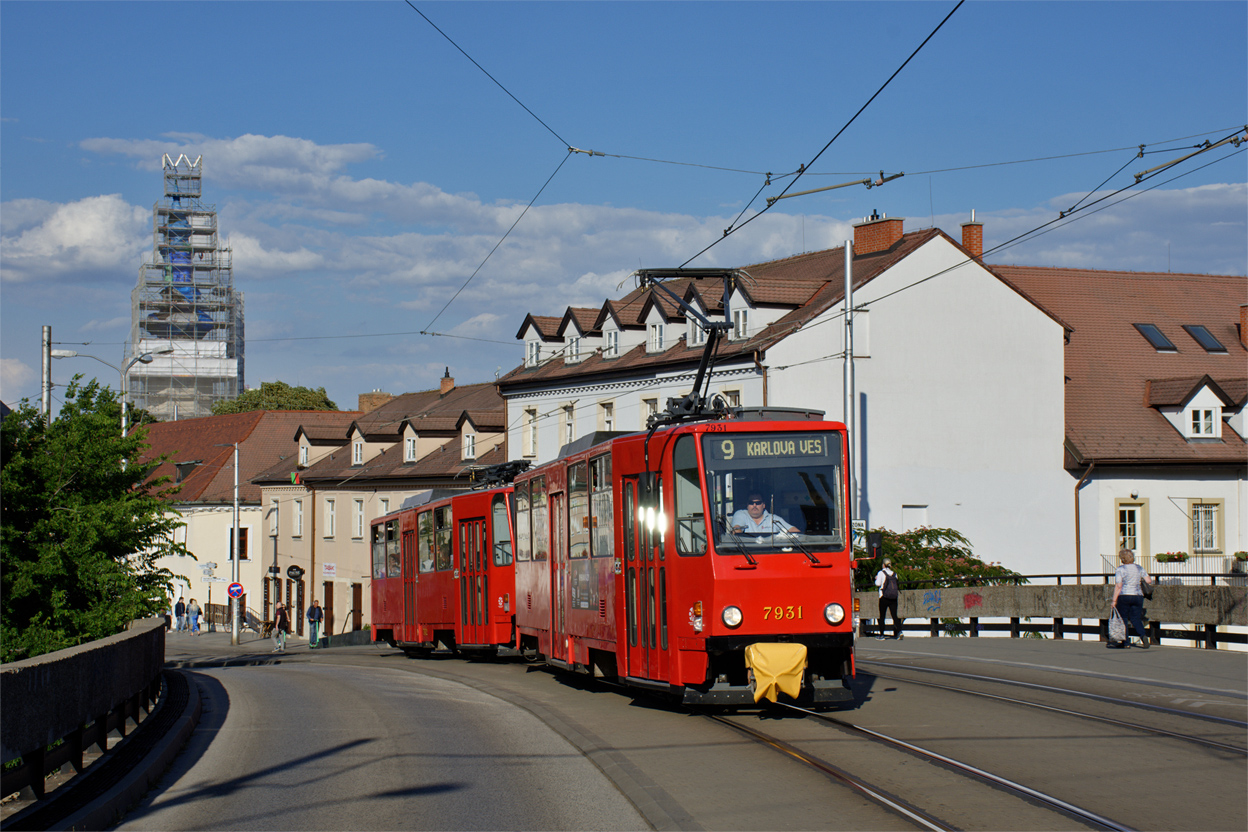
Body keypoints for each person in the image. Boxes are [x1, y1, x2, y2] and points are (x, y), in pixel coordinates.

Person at [1111, 548, 1153, 648]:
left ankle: (1126, 643)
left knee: (1123, 619)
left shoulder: (1120, 569)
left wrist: (1114, 600)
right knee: (1136, 618)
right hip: (1138, 595)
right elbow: (1149, 581)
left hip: (1124, 595)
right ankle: (1143, 636)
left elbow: (1118, 586)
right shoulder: (1139, 568)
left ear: (1122, 559)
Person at [731, 493, 799, 535]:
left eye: (758, 503)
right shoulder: (740, 514)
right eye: (751, 503)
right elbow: (737, 529)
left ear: (763, 505)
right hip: (748, 552)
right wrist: (737, 531)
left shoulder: (773, 518)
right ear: (747, 505)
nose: (754, 505)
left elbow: (794, 531)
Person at [875, 559, 903, 640]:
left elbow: (878, 584)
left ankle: (882, 634)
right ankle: (899, 632)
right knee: (894, 615)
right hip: (894, 597)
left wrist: (876, 578)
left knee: (882, 616)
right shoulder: (894, 574)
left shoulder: (881, 573)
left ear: (883, 564)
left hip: (884, 597)